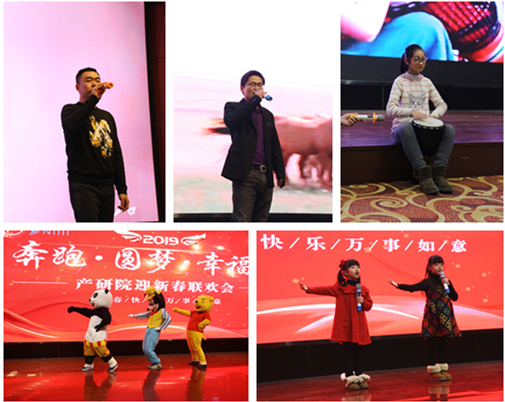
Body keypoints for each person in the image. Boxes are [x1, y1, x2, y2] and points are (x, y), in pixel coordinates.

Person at [61, 67, 129, 222]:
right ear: (77, 87)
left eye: (97, 80)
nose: (94, 83)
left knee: (105, 231)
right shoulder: (70, 110)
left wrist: (122, 189)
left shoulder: (107, 116)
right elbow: (71, 128)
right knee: (89, 230)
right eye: (89, 80)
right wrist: (93, 99)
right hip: (83, 184)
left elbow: (116, 154)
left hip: (107, 185)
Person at [386, 44, 456, 195]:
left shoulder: (427, 82)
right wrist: (411, 112)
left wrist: (433, 116)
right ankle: (424, 175)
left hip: (424, 129)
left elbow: (442, 105)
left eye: (423, 59)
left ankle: (439, 174)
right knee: (406, 128)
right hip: (403, 128)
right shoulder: (400, 81)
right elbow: (390, 109)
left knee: (449, 129)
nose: (421, 63)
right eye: (417, 59)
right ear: (407, 61)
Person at [222, 70, 286, 222]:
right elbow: (232, 121)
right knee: (242, 218)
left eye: (260, 85)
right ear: (242, 88)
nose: (256, 88)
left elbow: (274, 145)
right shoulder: (233, 107)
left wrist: (280, 173)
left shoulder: (267, 115)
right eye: (252, 84)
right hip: (246, 173)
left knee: (261, 219)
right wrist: (255, 99)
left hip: (266, 175)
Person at [299, 259, 373, 390]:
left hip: (359, 326)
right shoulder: (339, 288)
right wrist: (308, 289)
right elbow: (324, 289)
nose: (356, 269)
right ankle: (350, 379)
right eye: (352, 267)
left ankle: (360, 376)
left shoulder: (363, 289)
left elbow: (368, 306)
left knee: (360, 351)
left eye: (358, 267)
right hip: (347, 327)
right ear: (345, 272)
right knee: (349, 352)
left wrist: (363, 301)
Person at [389, 255, 461, 381]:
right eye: (436, 265)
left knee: (442, 343)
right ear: (429, 267)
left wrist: (448, 285)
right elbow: (412, 288)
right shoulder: (427, 283)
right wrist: (398, 286)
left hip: (445, 315)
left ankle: (442, 368)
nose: (439, 267)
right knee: (432, 343)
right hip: (433, 316)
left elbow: (454, 297)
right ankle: (433, 369)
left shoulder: (446, 282)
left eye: (441, 265)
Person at [129, 287, 171, 370]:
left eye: (153, 304)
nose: (151, 306)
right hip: (149, 329)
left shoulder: (162, 311)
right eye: (150, 304)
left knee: (149, 349)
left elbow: (168, 319)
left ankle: (157, 362)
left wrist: (161, 327)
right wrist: (135, 316)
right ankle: (153, 362)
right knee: (144, 349)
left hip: (154, 331)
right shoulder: (152, 312)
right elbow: (145, 314)